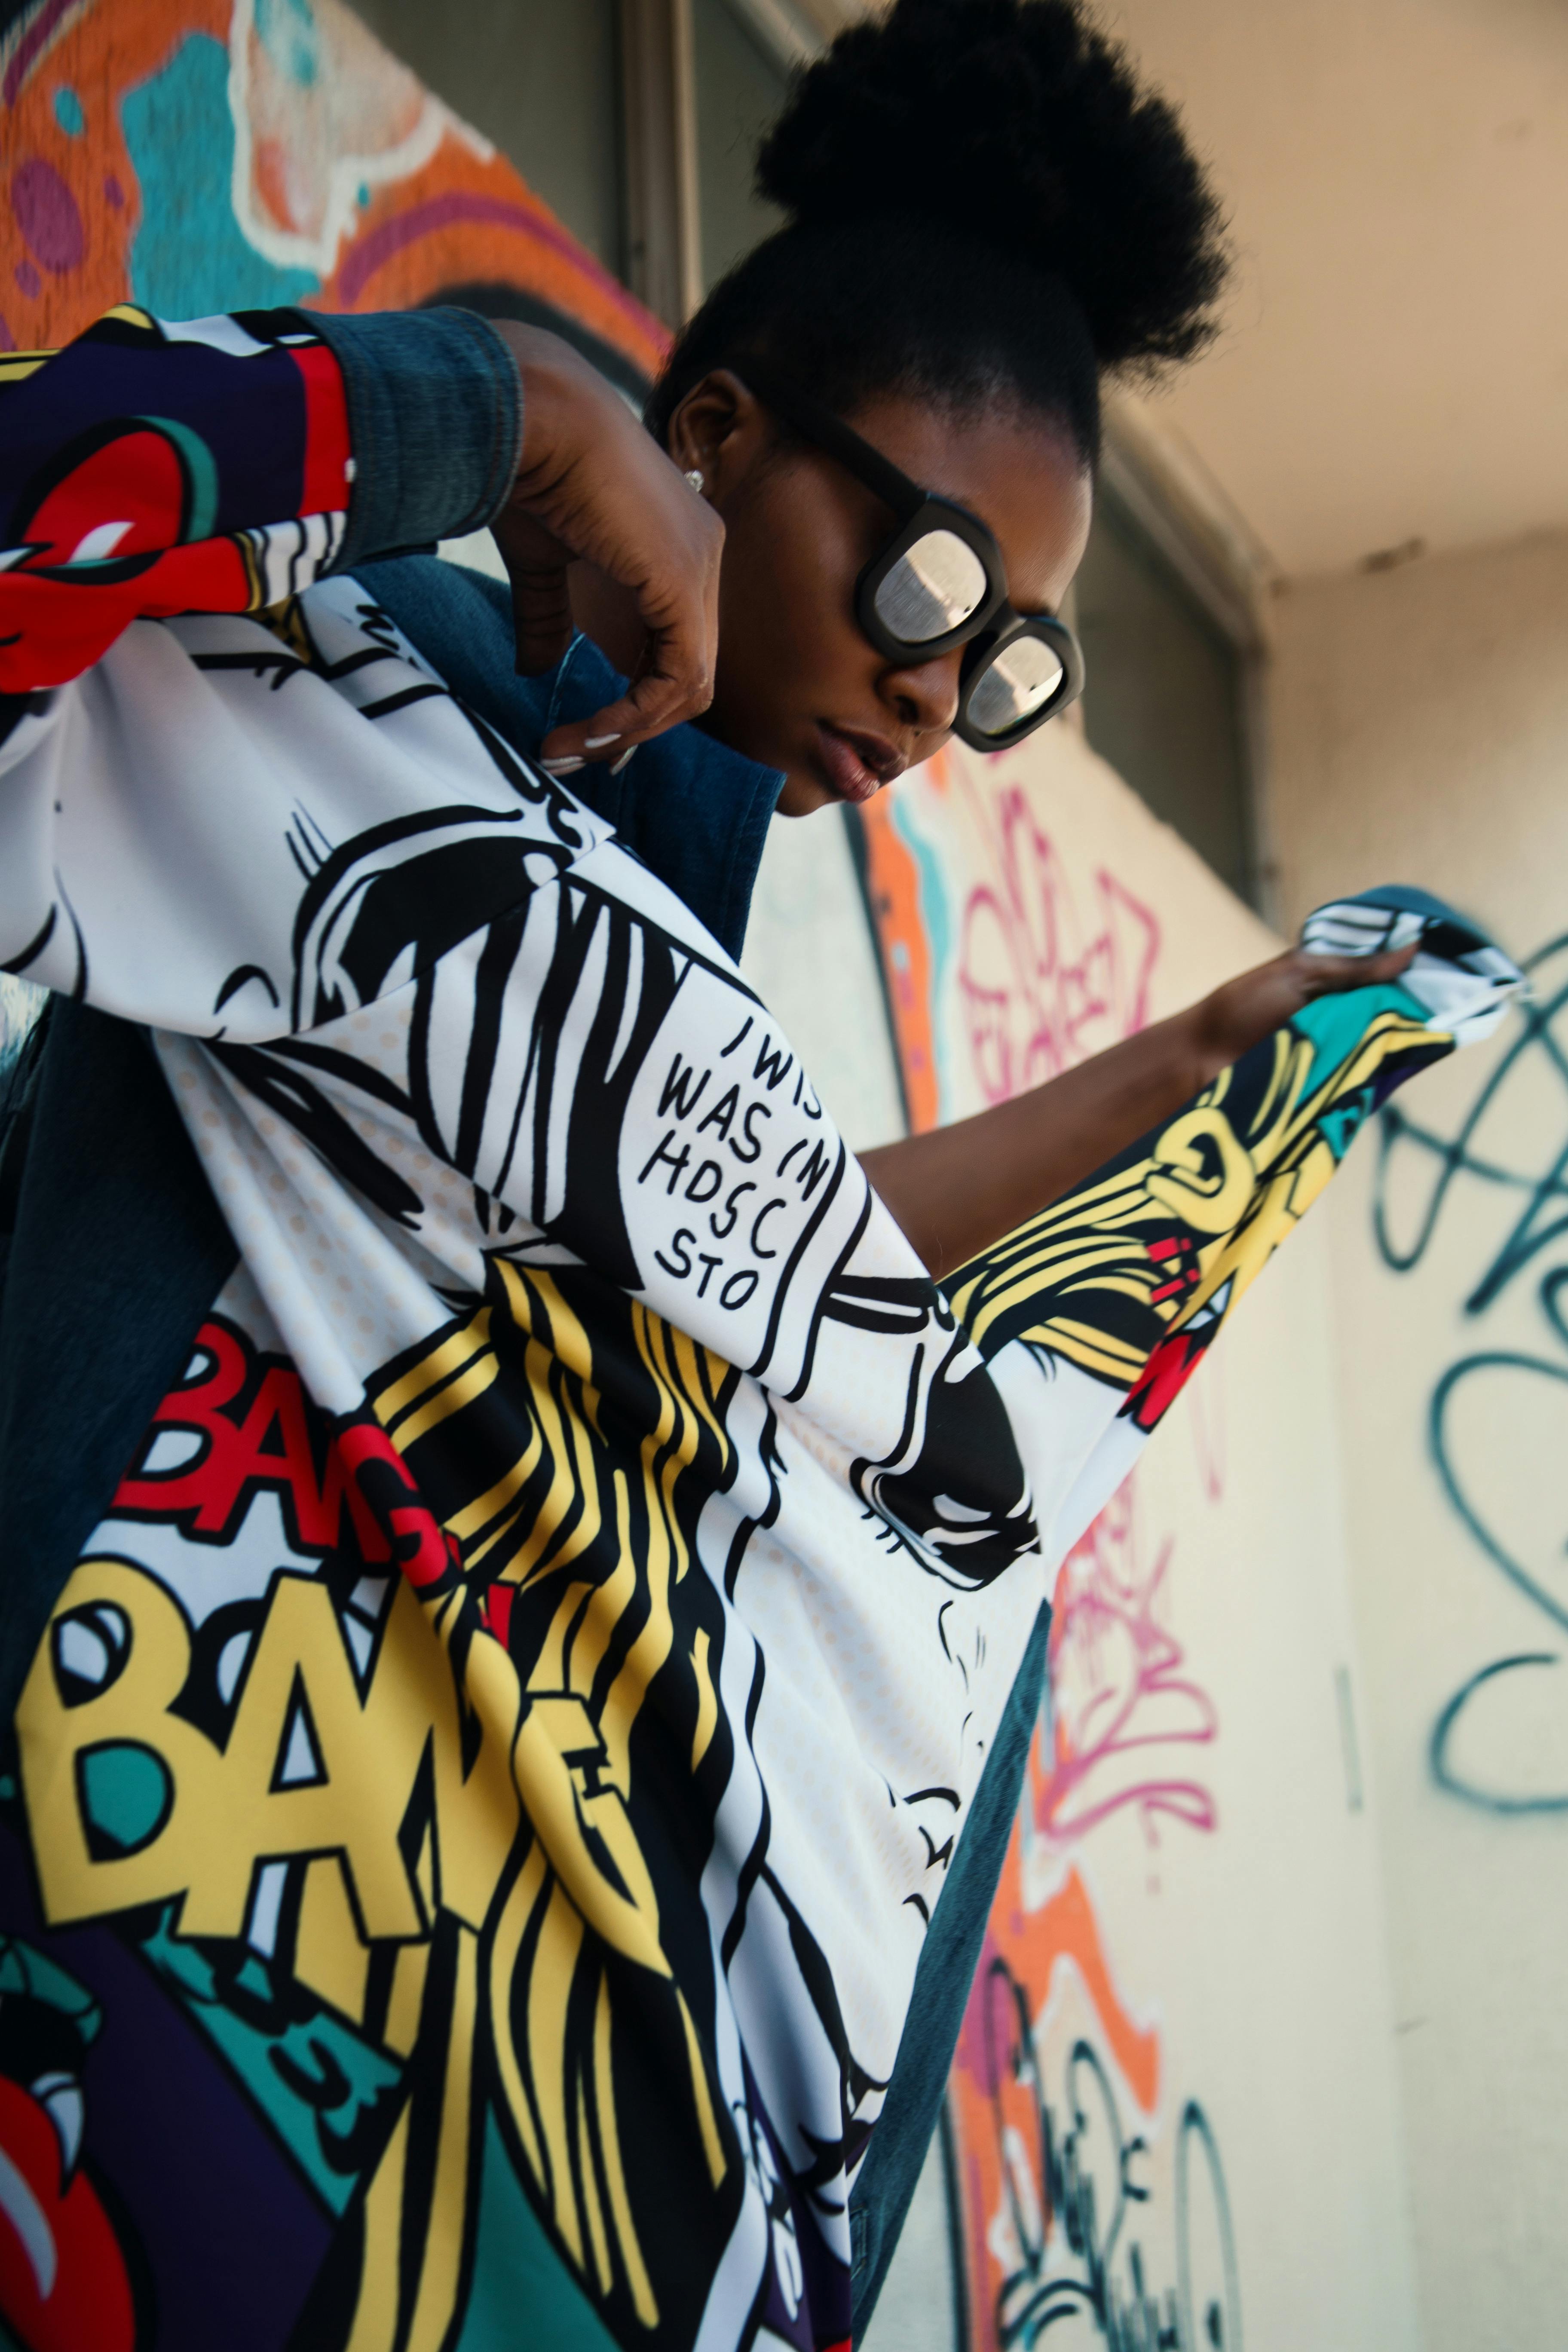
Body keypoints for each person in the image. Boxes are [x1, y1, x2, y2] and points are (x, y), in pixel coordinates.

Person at [0, 3, 1523, 2348]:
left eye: (1006, 661)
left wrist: (1212, 1060)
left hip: (438, 2154)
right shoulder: (327, 686)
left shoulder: (641, 977)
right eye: (926, 581)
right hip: (105, 1993)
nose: (939, 691)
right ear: (708, 436)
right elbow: (43, 499)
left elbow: (769, 1278)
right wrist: (498, 417)